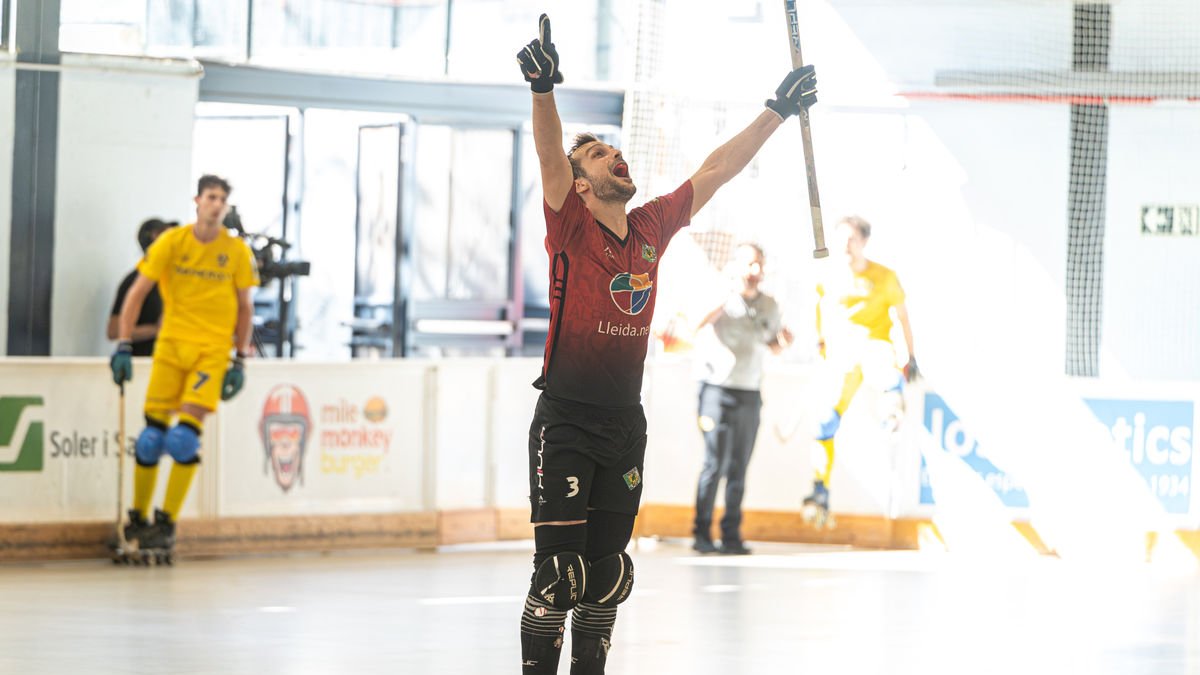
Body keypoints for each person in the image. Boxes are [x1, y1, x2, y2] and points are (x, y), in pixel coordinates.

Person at [514, 14, 816, 674]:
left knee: (604, 577)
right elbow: (548, 152)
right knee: (558, 574)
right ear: (583, 186)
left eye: (609, 149)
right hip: (565, 419)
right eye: (596, 154)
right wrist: (543, 90)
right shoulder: (569, 226)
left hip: (624, 425)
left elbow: (717, 169)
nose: (612, 154)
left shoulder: (652, 224)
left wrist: (777, 109)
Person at [110, 175, 258, 557]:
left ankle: (166, 523)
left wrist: (240, 358)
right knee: (150, 439)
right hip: (170, 347)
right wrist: (125, 345)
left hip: (210, 351)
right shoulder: (171, 243)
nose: (216, 205)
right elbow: (136, 292)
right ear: (197, 200)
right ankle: (137, 517)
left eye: (222, 199)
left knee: (182, 439)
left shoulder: (236, 251)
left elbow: (245, 307)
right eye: (211, 197)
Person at [805, 215, 917, 528]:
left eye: (851, 239)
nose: (845, 245)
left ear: (864, 242)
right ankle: (819, 490)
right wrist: (818, 343)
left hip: (874, 347)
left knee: (886, 373)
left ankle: (892, 408)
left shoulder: (885, 276)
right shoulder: (827, 276)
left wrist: (912, 355)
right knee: (824, 422)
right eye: (840, 239)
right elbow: (816, 312)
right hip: (841, 355)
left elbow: (903, 318)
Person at [691, 243, 791, 555]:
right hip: (717, 391)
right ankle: (701, 533)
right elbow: (694, 323)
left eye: (759, 265)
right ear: (736, 267)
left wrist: (783, 343)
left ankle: (731, 535)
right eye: (749, 264)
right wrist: (724, 296)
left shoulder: (770, 306)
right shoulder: (720, 296)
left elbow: (772, 343)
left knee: (739, 467)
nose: (754, 271)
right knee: (714, 464)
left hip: (750, 392)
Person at [106, 219, 177, 356]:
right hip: (143, 361)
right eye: (170, 236)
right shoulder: (134, 280)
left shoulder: (175, 280)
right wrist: (157, 329)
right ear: (156, 237)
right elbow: (114, 330)